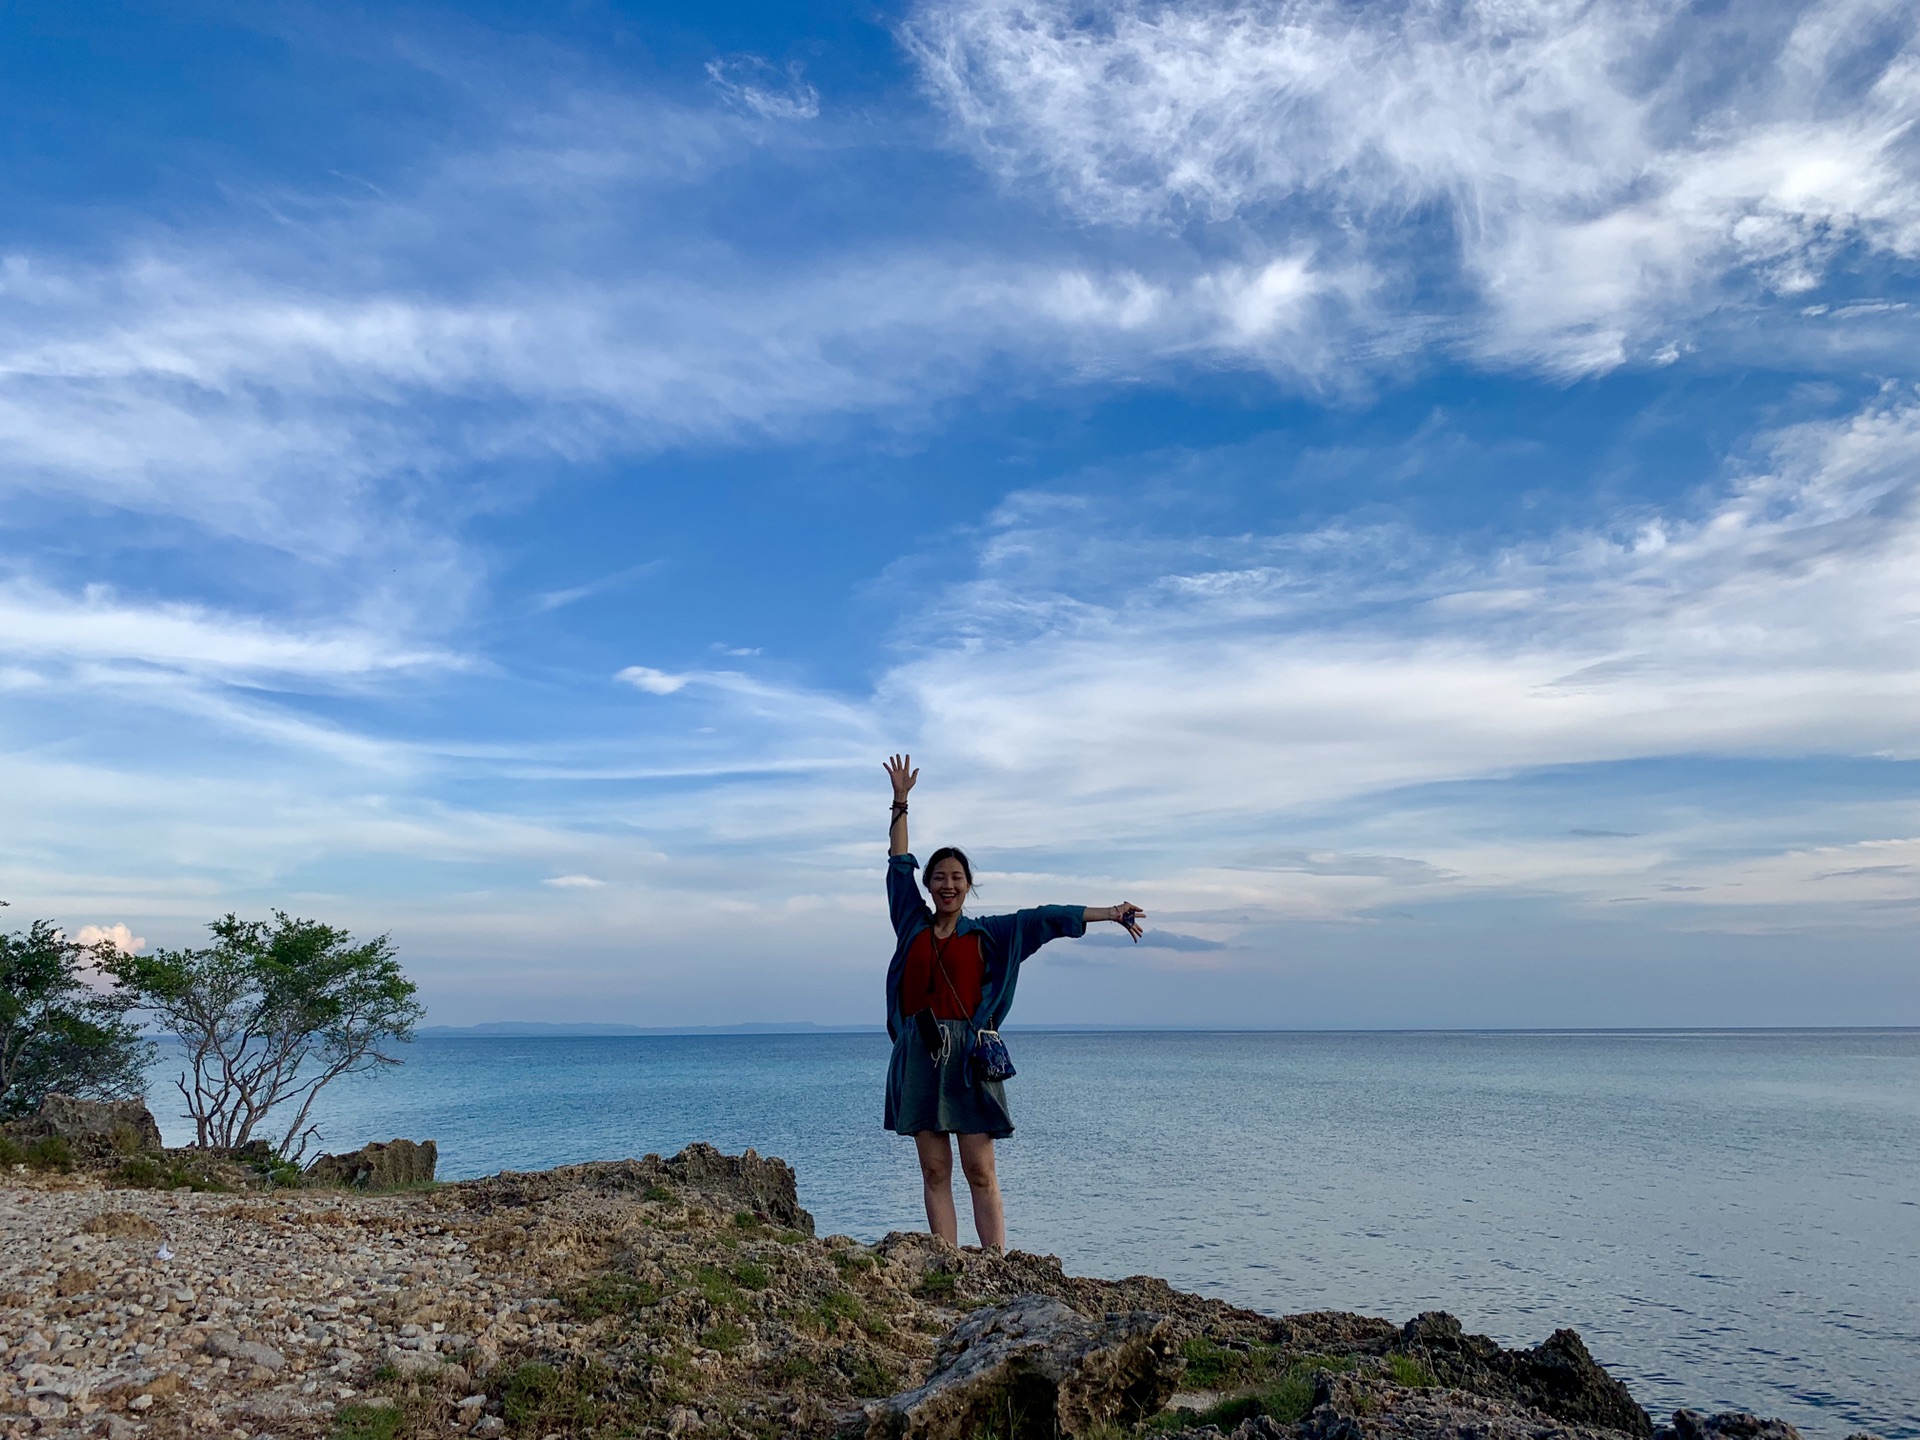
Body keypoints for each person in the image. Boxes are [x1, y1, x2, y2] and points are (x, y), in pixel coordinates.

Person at [882, 753, 1143, 1250]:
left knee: (979, 1169)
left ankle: (996, 1266)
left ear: (968, 884)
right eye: (939, 876)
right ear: (929, 885)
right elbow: (898, 865)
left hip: (968, 1058)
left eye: (957, 876)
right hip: (920, 1050)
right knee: (934, 1168)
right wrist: (900, 801)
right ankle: (949, 1264)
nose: (948, 884)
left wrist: (1111, 912)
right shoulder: (911, 924)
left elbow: (1046, 916)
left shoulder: (991, 934)